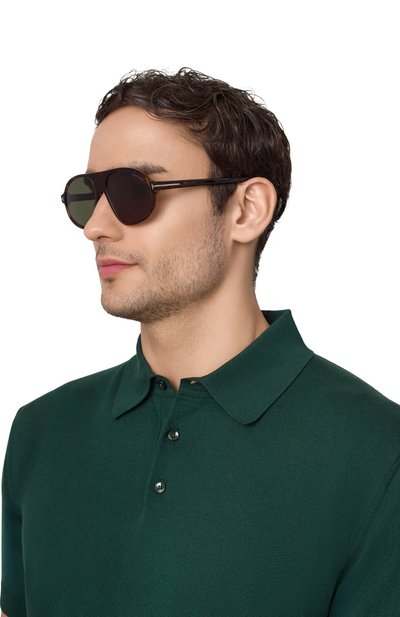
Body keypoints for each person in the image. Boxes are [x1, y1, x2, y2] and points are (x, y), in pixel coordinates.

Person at [1, 68, 399, 617]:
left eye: (133, 191)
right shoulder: (42, 432)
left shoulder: (377, 450)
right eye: (88, 195)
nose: (96, 227)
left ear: (246, 209)